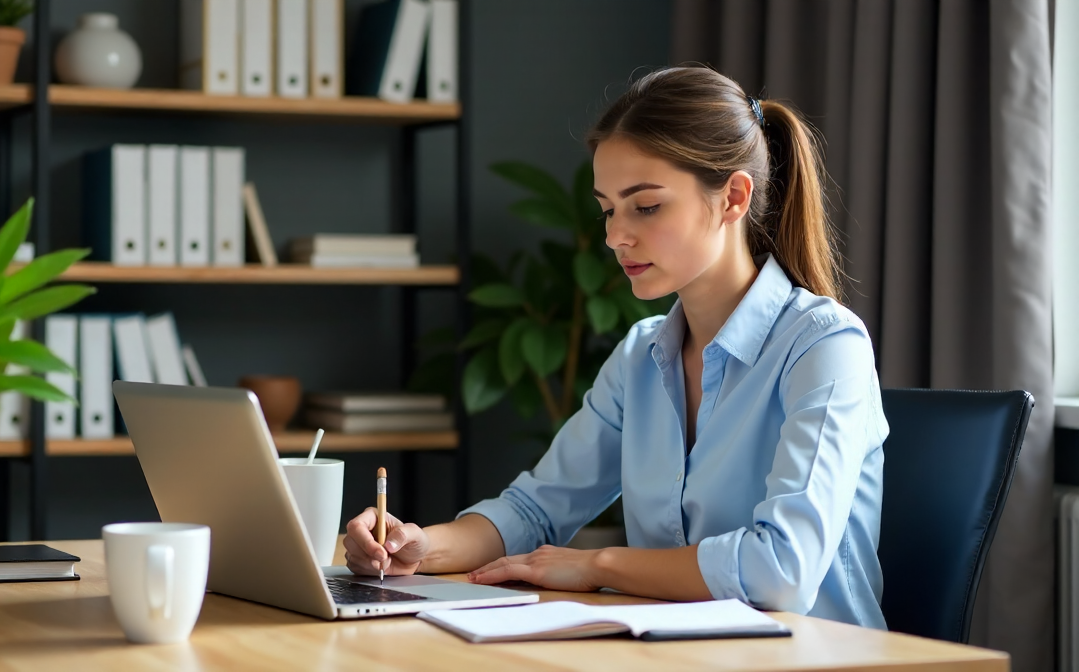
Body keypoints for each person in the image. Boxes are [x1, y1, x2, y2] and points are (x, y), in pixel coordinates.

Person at [343, 66, 889, 629]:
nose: (614, 236)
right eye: (608, 209)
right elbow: (534, 511)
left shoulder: (825, 346)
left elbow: (783, 570)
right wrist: (413, 546)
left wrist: (597, 565)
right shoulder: (640, 357)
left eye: (645, 206)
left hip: (819, 658)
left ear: (732, 197)